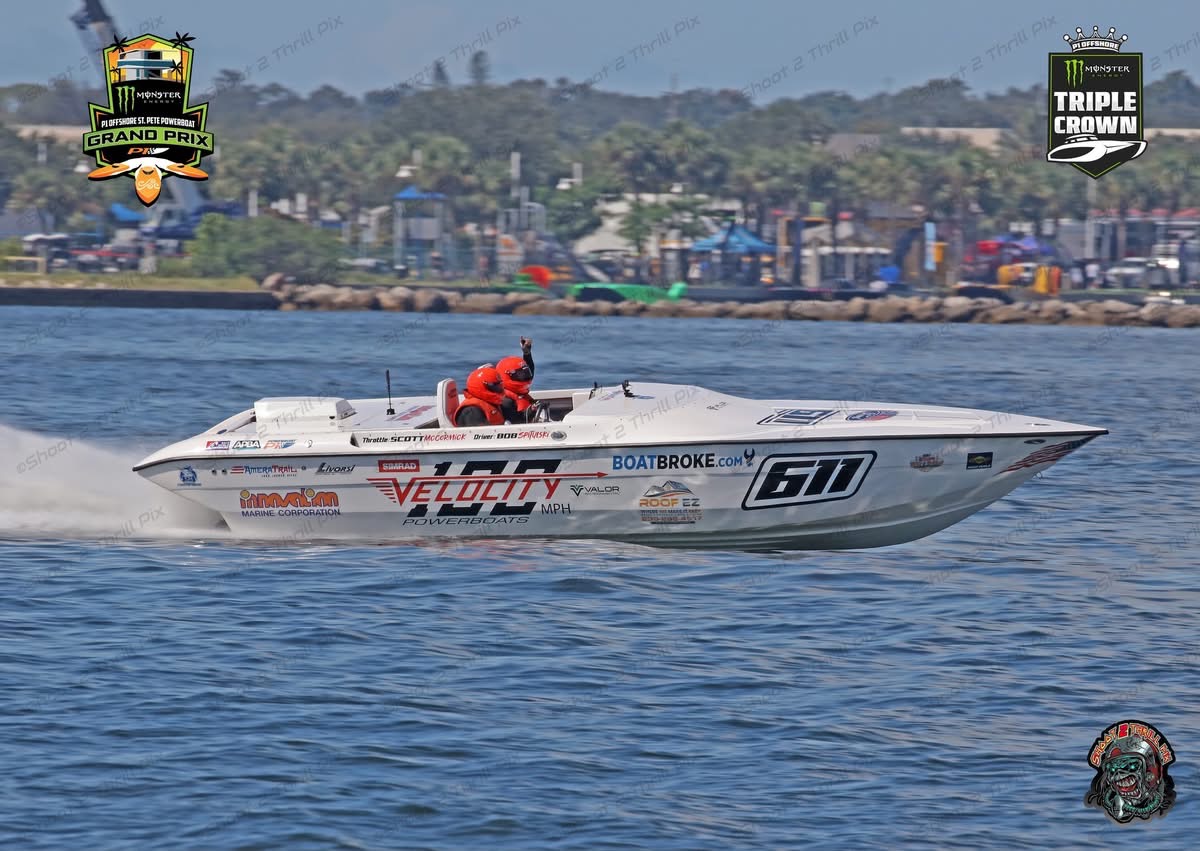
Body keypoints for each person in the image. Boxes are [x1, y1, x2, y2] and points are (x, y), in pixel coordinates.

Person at [496, 336, 536, 422]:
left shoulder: (519, 390)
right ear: (507, 375)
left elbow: (529, 373)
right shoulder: (506, 401)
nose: (525, 377)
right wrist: (531, 412)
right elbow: (517, 425)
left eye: (525, 373)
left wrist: (527, 354)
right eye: (520, 375)